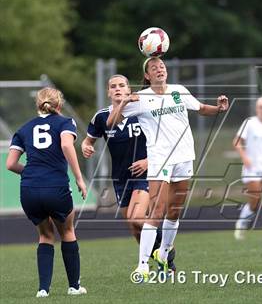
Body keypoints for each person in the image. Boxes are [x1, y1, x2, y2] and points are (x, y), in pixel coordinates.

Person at [106, 57, 229, 280]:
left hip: (184, 158)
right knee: (156, 212)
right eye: (153, 68)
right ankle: (142, 265)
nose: (159, 69)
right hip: (160, 159)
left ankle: (163, 255)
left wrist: (218, 109)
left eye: (161, 66)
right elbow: (111, 123)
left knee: (174, 212)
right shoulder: (141, 98)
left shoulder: (178, 91)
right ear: (147, 76)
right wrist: (124, 102)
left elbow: (200, 108)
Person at [81, 74, 175, 271]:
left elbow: (166, 141)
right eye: (113, 86)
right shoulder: (101, 117)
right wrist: (86, 146)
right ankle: (157, 261)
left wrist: (149, 161)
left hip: (145, 175)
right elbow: (89, 140)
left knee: (136, 217)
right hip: (120, 178)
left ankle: (166, 247)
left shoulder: (142, 111)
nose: (117, 89)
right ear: (108, 92)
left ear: (129, 90)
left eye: (122, 85)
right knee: (133, 227)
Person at [6, 88, 88, 297]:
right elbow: (66, 145)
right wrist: (79, 178)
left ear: (38, 105)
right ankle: (74, 287)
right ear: (59, 105)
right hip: (55, 186)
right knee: (67, 231)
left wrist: (32, 173)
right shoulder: (64, 122)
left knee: (45, 234)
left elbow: (10, 164)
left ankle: (43, 290)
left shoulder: (24, 128)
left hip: (29, 189)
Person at [233, 96, 262, 240]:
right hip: (252, 167)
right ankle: (241, 223)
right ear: (256, 109)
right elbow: (236, 142)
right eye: (261, 107)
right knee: (255, 202)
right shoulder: (249, 123)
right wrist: (244, 157)